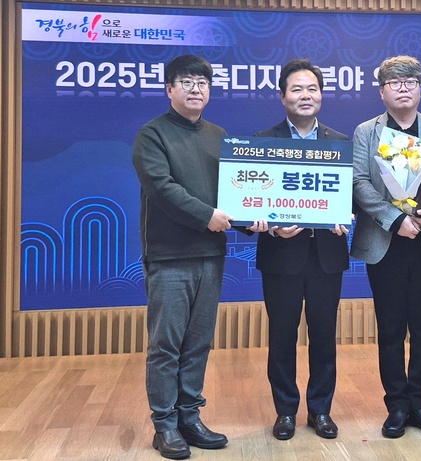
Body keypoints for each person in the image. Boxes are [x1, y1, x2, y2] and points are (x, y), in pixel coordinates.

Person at [133, 54, 243, 460]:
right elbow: (161, 188)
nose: (196, 89)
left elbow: (236, 192)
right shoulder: (152, 135)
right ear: (169, 89)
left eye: (202, 83)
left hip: (211, 254)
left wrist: (254, 219)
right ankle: (164, 424)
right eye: (187, 82)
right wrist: (206, 216)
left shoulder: (219, 135)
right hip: (169, 257)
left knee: (198, 343)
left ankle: (190, 417)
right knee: (166, 345)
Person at [351, 55, 421, 438]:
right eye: (395, 83)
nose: (403, 88)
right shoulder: (366, 131)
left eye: (411, 81)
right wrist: (394, 219)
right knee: (390, 327)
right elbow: (359, 182)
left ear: (420, 88)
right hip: (386, 241)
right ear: (381, 91)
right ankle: (397, 405)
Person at [253, 58, 350, 441]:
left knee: (324, 337)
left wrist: (347, 215)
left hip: (327, 256)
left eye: (312, 89)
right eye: (297, 89)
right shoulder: (262, 142)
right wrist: (269, 224)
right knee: (282, 337)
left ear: (321, 95)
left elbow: (354, 196)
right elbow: (246, 204)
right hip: (281, 257)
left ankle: (321, 410)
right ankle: (285, 412)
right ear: (283, 96)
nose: (305, 95)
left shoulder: (340, 142)